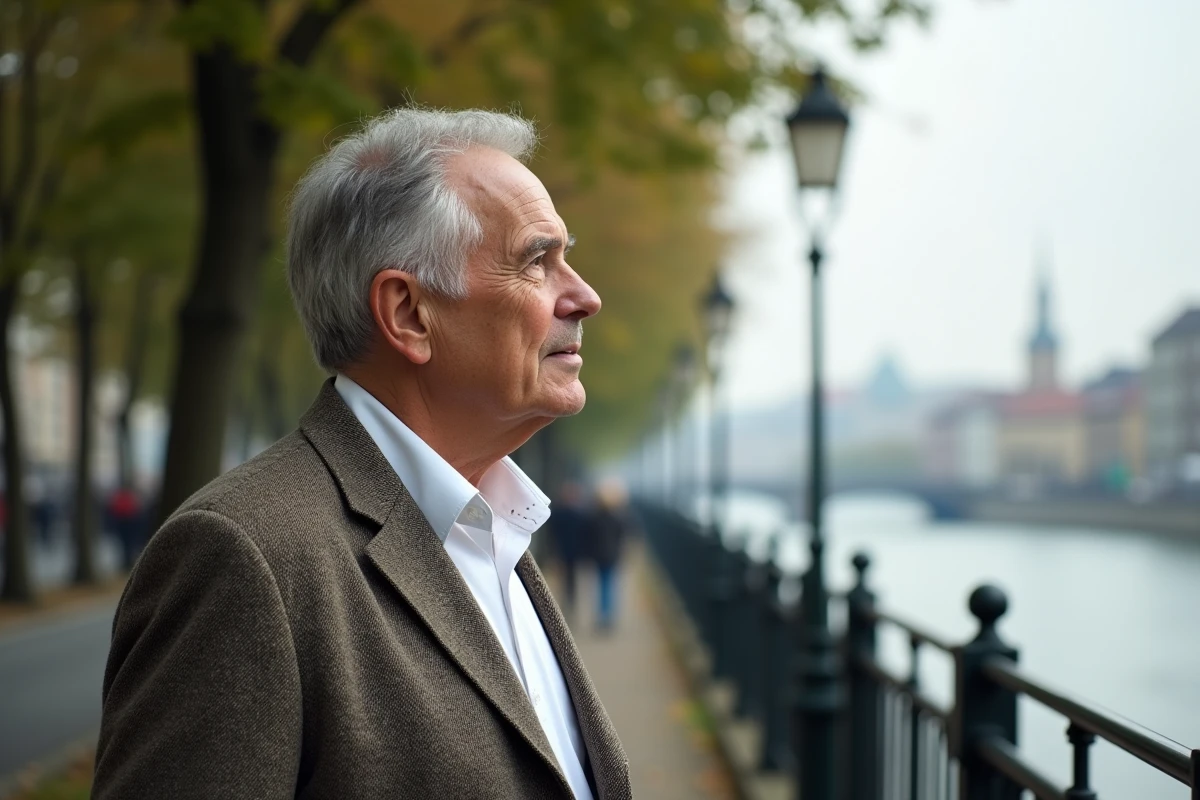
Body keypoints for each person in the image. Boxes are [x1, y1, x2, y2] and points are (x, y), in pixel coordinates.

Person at [94, 109, 630, 800]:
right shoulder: (244, 556)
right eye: (537, 260)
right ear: (408, 314)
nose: (584, 295)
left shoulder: (496, 530)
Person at [588, 479, 635, 632]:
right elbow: (625, 536)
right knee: (610, 584)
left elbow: (590, 537)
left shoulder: (595, 518)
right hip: (613, 556)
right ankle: (609, 616)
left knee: (601, 584)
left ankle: (603, 615)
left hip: (599, 556)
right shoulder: (618, 518)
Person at [549, 480, 590, 618]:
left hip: (564, 551)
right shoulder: (580, 514)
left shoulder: (558, 513)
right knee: (571, 579)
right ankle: (570, 603)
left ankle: (566, 604)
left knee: (566, 579)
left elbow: (553, 533)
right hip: (573, 551)